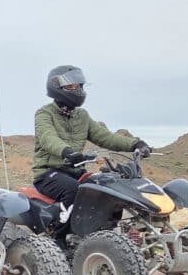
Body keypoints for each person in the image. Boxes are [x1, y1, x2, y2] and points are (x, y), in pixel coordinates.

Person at [32, 65, 152, 233]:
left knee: (106, 188)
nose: (77, 90)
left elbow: (105, 137)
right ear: (56, 86)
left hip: (75, 172)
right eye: (71, 86)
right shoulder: (44, 114)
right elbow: (47, 138)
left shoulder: (82, 116)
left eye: (79, 86)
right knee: (73, 191)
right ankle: (59, 237)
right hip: (48, 174)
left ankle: (103, 233)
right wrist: (67, 151)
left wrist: (135, 144)